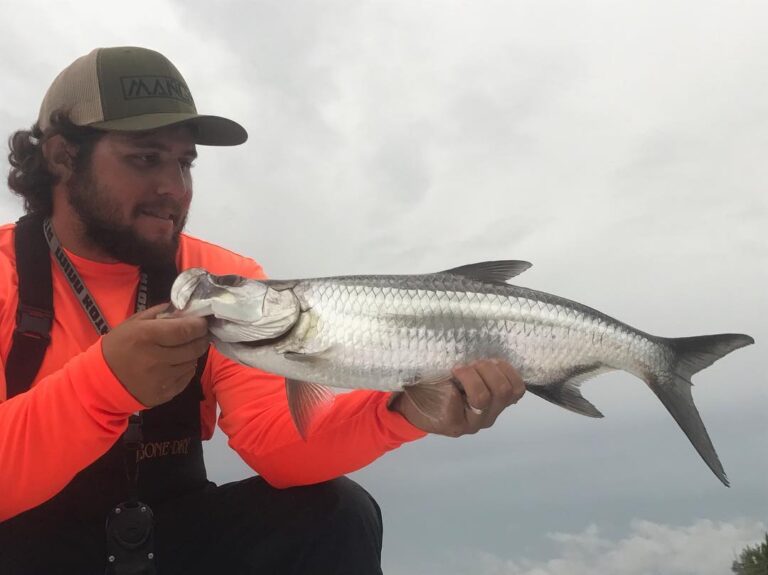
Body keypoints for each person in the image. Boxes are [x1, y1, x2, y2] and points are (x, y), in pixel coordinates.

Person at [0, 46, 526, 574]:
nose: (174, 188)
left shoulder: (221, 279)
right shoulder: (6, 274)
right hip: (25, 544)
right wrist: (106, 383)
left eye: (184, 162)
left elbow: (279, 445)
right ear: (63, 156)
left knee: (334, 512)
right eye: (145, 157)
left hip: (176, 536)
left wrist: (404, 411)